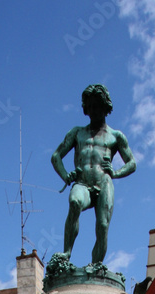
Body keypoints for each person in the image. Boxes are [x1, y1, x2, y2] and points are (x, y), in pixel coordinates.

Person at [51, 84, 136, 265]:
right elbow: (56, 156)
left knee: (103, 225)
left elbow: (132, 163)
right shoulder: (77, 133)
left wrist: (115, 172)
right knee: (74, 202)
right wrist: (66, 175)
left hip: (104, 182)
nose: (92, 110)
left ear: (105, 107)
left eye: (96, 106)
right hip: (82, 182)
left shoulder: (116, 136)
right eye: (89, 107)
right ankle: (67, 252)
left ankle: (96, 266)